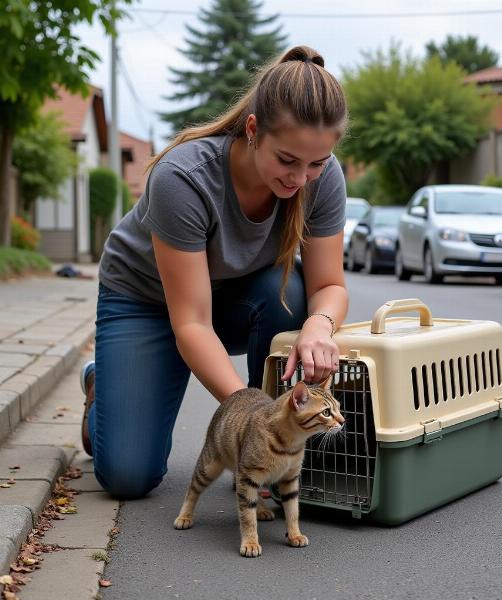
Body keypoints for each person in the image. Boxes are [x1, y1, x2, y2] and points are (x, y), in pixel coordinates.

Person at [80, 45, 349, 500]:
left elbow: (329, 285)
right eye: (287, 160)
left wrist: (319, 327)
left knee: (294, 296)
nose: (301, 178)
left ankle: (261, 461)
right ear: (252, 130)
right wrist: (251, 418)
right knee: (128, 477)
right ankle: (101, 383)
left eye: (316, 164)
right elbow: (190, 322)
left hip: (238, 299)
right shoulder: (183, 178)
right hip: (146, 303)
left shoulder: (323, 178)